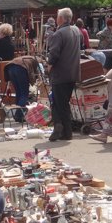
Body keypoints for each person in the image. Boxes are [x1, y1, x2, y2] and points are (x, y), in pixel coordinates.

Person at [47, 8, 81, 142]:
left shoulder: (59, 34)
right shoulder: (76, 31)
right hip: (73, 72)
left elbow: (54, 54)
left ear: (60, 19)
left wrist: (49, 67)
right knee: (64, 102)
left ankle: (59, 126)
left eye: (57, 17)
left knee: (57, 103)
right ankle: (67, 132)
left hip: (60, 73)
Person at [3, 54, 39, 123]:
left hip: (10, 68)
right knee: (24, 93)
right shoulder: (36, 60)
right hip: (20, 69)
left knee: (19, 93)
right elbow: (34, 73)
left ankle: (18, 114)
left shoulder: (28, 58)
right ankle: (19, 115)